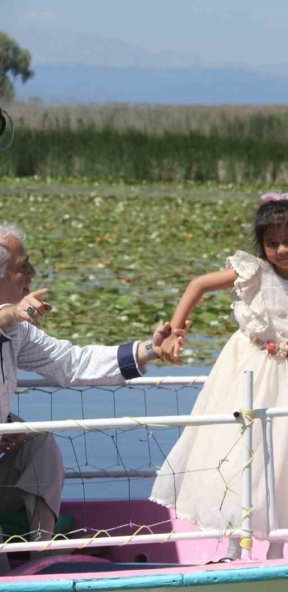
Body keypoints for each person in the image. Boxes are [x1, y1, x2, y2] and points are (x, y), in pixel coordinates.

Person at [150, 191, 288, 560]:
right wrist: (175, 330)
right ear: (262, 247)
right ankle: (232, 543)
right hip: (252, 372)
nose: (282, 249)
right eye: (272, 243)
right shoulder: (254, 273)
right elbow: (198, 285)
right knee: (241, 452)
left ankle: (277, 546)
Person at [0, 222, 176, 571]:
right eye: (24, 266)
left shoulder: (17, 332)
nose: (33, 273)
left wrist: (148, 351)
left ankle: (41, 559)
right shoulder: (12, 321)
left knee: (39, 444)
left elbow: (71, 363)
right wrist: (8, 315)